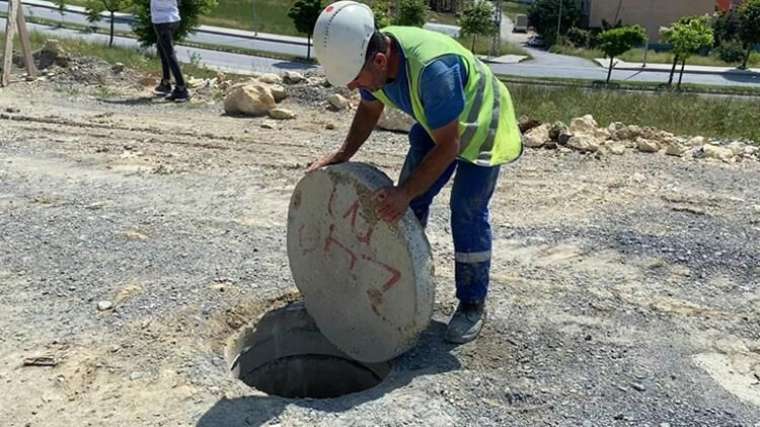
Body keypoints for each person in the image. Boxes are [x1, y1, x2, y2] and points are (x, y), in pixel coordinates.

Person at [307, 1, 523, 344]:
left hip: (483, 124)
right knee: (404, 207)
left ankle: (471, 304)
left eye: (354, 80)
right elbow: (368, 110)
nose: (351, 88)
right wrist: (343, 153)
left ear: (379, 61)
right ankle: (403, 287)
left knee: (465, 211)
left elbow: (449, 146)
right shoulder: (370, 55)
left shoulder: (432, 72)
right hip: (439, 119)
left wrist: (405, 191)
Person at [150, 0, 190, 102]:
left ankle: (181, 89)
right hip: (173, 18)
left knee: (169, 54)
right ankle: (165, 83)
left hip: (162, 20)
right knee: (162, 47)